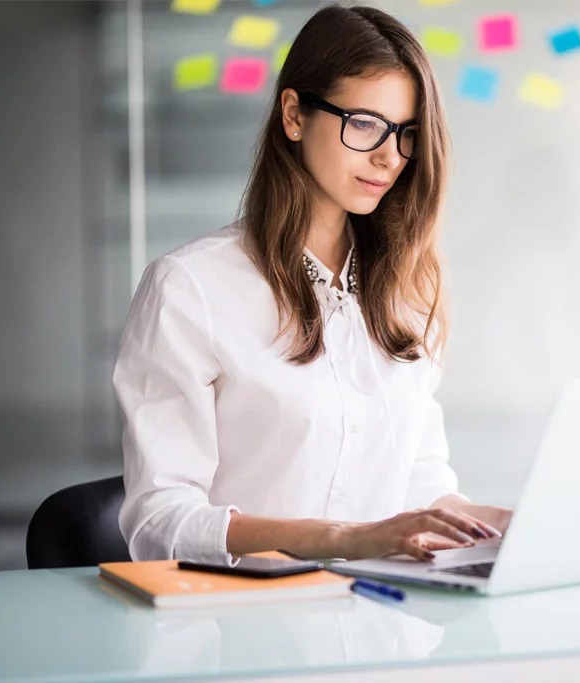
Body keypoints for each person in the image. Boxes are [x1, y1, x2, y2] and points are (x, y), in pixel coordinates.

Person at [114, 4, 512, 565]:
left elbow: (420, 484)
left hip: (386, 622)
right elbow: (160, 524)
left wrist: (511, 523)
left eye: (407, 134)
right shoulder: (190, 289)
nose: (389, 157)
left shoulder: (407, 291)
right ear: (295, 115)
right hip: (243, 632)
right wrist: (344, 540)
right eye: (366, 124)